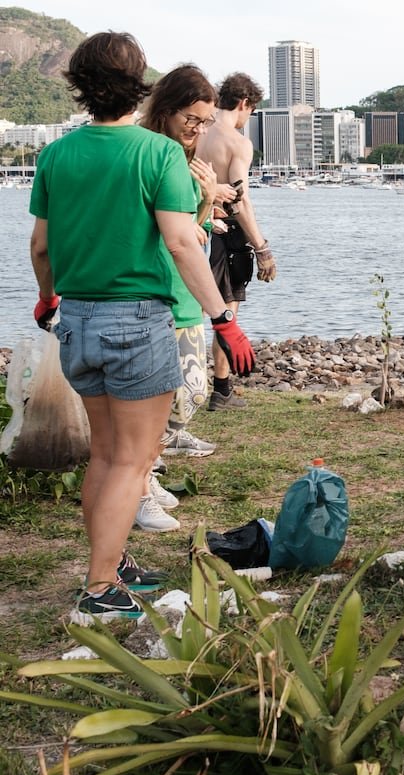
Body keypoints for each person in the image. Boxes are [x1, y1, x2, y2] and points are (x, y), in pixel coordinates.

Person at [30, 32, 255, 624]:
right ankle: (100, 589)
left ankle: (113, 561)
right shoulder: (156, 156)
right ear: (139, 85)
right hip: (136, 319)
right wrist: (224, 319)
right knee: (133, 460)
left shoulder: (56, 154)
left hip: (75, 318)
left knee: (106, 456)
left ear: (82, 84)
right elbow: (184, 242)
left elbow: (41, 246)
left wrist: (46, 298)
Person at [136, 64, 239, 531]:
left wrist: (203, 201)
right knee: (168, 396)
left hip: (185, 291)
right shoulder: (157, 155)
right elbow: (179, 237)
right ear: (167, 108)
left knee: (187, 393)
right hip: (165, 290)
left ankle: (148, 471)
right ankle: (144, 478)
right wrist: (204, 198)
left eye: (203, 122)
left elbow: (191, 231)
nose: (197, 129)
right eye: (192, 120)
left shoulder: (181, 153)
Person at [195, 72, 274, 410]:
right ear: (244, 104)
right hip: (226, 232)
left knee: (189, 309)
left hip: (192, 222)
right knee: (226, 310)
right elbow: (239, 199)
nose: (247, 120)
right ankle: (222, 389)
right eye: (250, 113)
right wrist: (262, 247)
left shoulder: (195, 131)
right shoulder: (237, 142)